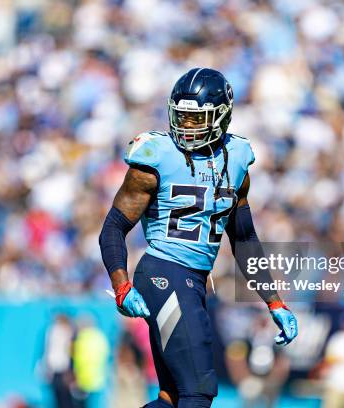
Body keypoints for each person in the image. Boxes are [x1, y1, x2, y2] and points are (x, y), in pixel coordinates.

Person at [99, 68, 298, 408]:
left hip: (193, 280)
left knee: (173, 397)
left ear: (222, 116)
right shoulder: (155, 156)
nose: (187, 126)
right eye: (182, 117)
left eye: (196, 119)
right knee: (199, 390)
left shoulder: (236, 159)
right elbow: (113, 228)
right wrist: (121, 285)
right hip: (165, 272)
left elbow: (245, 238)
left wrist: (274, 300)